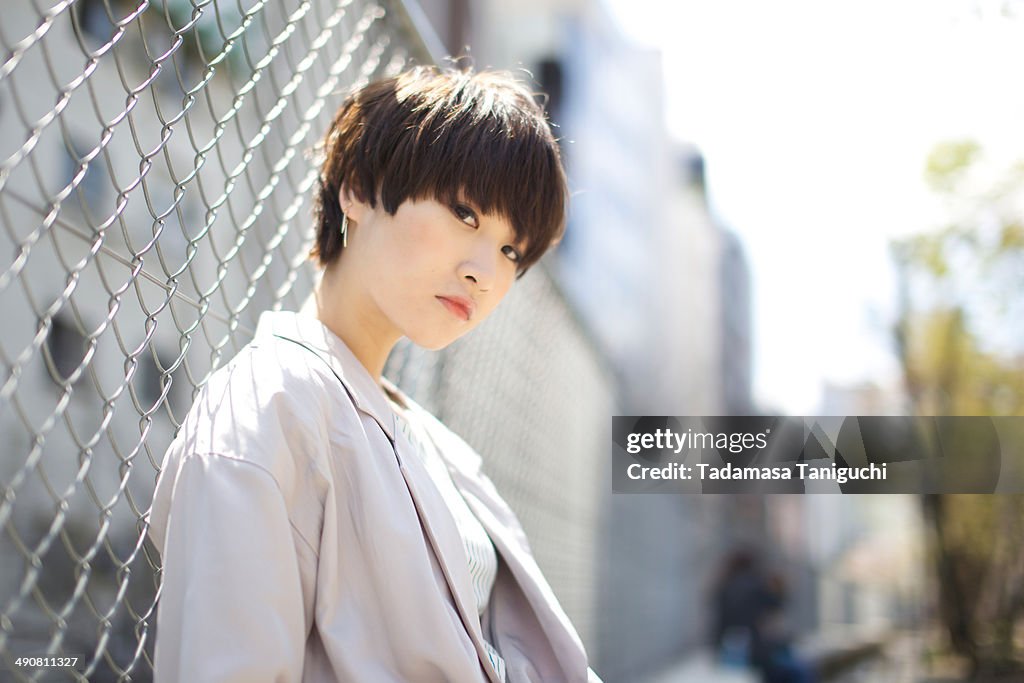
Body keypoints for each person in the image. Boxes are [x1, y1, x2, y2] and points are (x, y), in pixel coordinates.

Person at [146, 65, 602, 682]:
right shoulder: (266, 405)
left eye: (510, 249)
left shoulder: (431, 444)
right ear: (357, 189)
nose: (485, 273)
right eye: (465, 213)